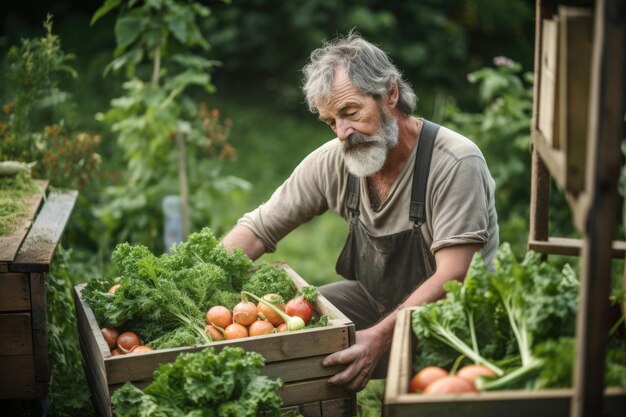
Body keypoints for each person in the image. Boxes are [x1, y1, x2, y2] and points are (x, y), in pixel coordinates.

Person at [221, 32, 499, 391]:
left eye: (351, 113)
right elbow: (259, 228)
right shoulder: (337, 160)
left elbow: (455, 275)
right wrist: (202, 278)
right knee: (298, 333)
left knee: (416, 401)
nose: (342, 133)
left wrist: (379, 337)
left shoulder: (454, 162)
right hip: (376, 300)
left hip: (454, 321)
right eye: (330, 121)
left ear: (390, 94)